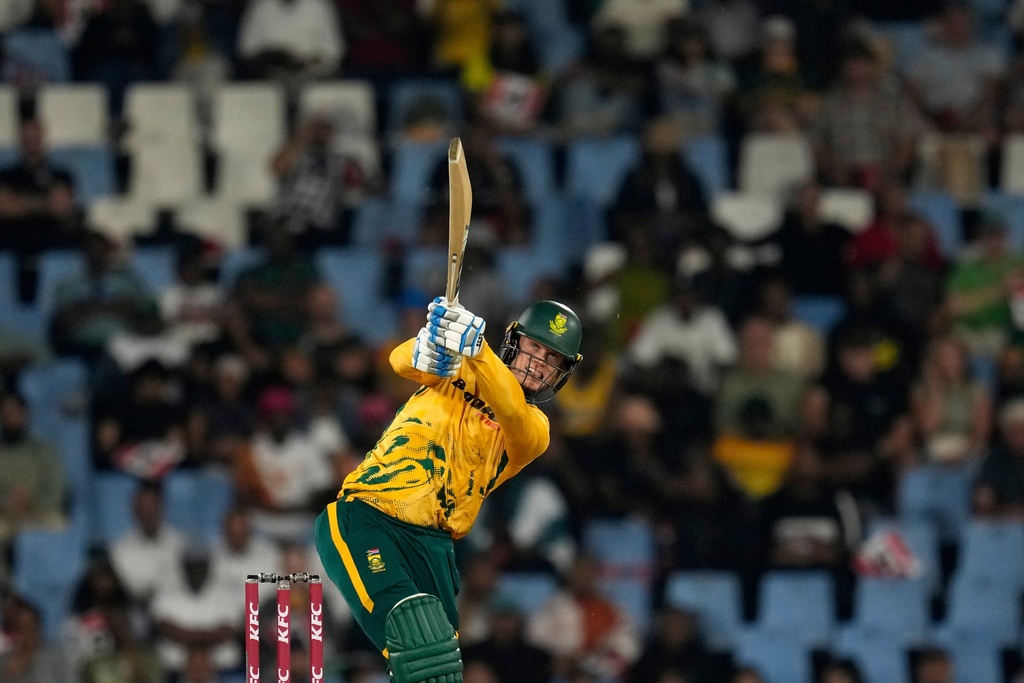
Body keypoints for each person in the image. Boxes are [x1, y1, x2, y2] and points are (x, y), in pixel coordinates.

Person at [313, 297, 584, 681]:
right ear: (516, 342)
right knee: (416, 634)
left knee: (437, 671)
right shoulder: (459, 370)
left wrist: (478, 349)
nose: (539, 361)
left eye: (552, 357)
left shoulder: (535, 430)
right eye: (535, 347)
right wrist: (425, 349)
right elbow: (397, 362)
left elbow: (508, 405)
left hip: (434, 547)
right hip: (369, 518)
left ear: (562, 371)